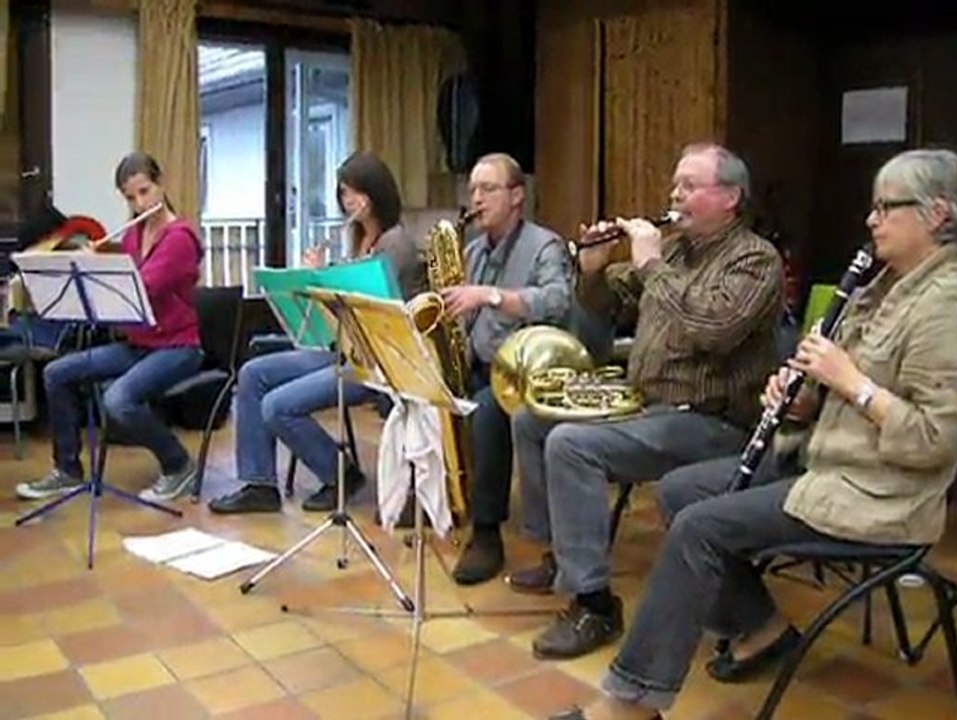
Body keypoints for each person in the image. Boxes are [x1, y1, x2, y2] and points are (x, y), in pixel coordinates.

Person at [555, 147, 957, 720]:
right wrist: (804, 400)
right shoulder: (882, 287)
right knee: (680, 493)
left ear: (937, 215)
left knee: (700, 525)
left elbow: (933, 442)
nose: (871, 220)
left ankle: (627, 707)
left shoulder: (947, 307)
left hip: (877, 493)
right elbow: (840, 396)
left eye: (885, 207)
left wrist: (851, 383)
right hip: (822, 457)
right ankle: (764, 628)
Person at [511, 143, 785, 660]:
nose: (674, 194)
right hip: (651, 407)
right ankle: (563, 552)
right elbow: (607, 307)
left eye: (689, 185)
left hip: (713, 421)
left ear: (729, 197)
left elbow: (714, 329)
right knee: (532, 419)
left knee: (572, 445)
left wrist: (652, 263)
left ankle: (593, 603)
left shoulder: (754, 258)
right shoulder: (679, 251)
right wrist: (591, 270)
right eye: (675, 183)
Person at [208, 151, 426, 514]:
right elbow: (334, 309)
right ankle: (260, 483)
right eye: (343, 193)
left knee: (277, 405)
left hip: (377, 360)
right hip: (341, 347)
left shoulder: (396, 243)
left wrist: (330, 280)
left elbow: (371, 304)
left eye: (355, 192)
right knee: (252, 373)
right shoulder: (358, 240)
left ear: (376, 193)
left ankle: (340, 473)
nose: (348, 201)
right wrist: (314, 279)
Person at [16, 152, 204, 503]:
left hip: (178, 348)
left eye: (145, 192)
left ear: (161, 184)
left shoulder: (179, 238)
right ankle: (68, 471)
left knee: (118, 400)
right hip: (138, 346)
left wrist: (97, 267)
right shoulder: (134, 235)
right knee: (57, 373)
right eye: (130, 197)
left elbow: (139, 289)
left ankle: (179, 466)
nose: (139, 203)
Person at [444, 152, 574, 585]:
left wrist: (493, 296)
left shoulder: (545, 245)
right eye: (473, 190)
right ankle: (435, 497)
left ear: (517, 196)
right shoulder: (474, 249)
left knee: (485, 413)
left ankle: (486, 534)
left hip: (524, 373)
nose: (476, 199)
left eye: (488, 189)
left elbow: (558, 302)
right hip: (477, 362)